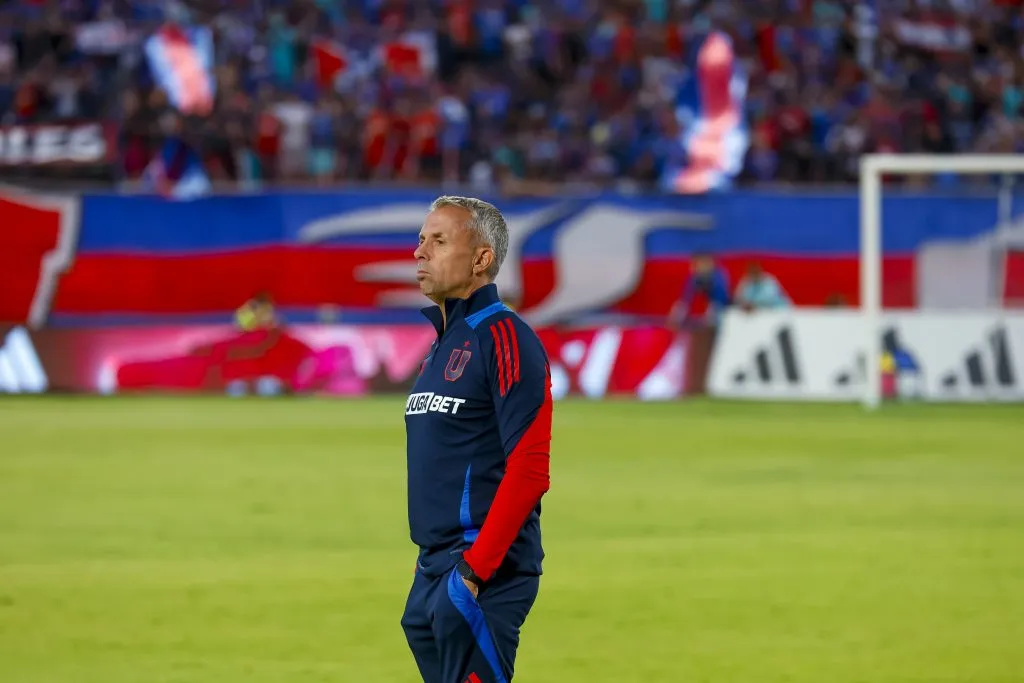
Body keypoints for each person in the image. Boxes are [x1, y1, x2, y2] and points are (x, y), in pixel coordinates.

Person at [401, 196, 553, 683]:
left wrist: (472, 573)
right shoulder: (441, 346)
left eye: (439, 241)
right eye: (422, 239)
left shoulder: (505, 336)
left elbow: (530, 469)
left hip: (480, 573)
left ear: (482, 259)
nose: (420, 252)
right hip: (434, 573)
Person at [668, 252, 731, 328]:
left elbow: (722, 298)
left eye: (697, 264)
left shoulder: (719, 275)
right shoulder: (694, 277)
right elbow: (684, 301)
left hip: (724, 309)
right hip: (711, 309)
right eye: (694, 265)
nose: (693, 268)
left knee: (713, 311)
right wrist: (675, 319)